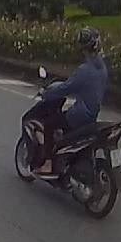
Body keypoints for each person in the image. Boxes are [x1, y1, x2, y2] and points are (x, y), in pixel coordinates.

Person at [28, 27, 108, 175]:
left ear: (82, 47)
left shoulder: (85, 69)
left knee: (49, 124)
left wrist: (46, 93)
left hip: (78, 116)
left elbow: (66, 88)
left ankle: (48, 164)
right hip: (92, 115)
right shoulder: (102, 67)